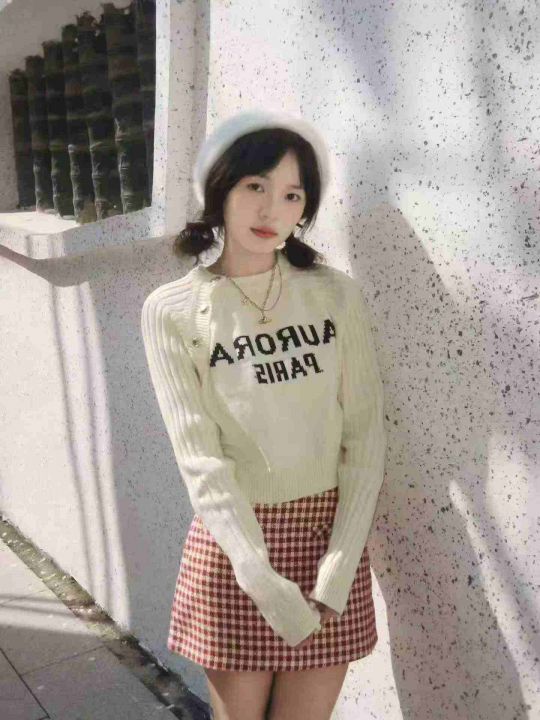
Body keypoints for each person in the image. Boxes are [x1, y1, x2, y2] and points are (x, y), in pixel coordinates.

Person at [140, 109, 387, 720]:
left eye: (291, 195)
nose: (271, 209)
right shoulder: (172, 310)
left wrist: (338, 569)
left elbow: (365, 436)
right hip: (236, 550)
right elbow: (201, 460)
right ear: (220, 189)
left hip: (329, 541)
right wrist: (261, 579)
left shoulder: (334, 294)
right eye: (255, 186)